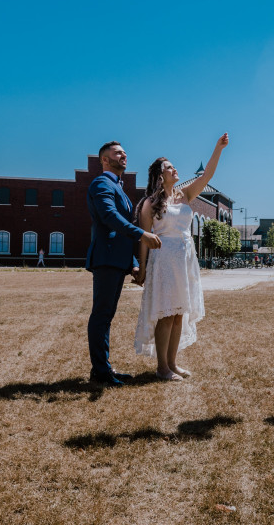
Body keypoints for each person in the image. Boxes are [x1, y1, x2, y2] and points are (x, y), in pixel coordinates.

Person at [133, 133, 229, 381]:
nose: (175, 170)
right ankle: (161, 368)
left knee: (179, 314)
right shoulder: (150, 203)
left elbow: (206, 176)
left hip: (185, 259)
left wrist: (218, 148)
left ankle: (173, 364)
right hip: (163, 261)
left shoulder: (184, 194)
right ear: (159, 175)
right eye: (169, 168)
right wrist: (141, 270)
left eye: (174, 167)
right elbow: (143, 239)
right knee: (166, 313)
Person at [86, 141, 162, 387]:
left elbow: (119, 232)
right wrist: (142, 235)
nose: (123, 155)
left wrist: (133, 264)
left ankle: (103, 368)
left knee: (106, 316)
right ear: (104, 160)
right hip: (106, 259)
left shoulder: (119, 187)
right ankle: (100, 371)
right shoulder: (101, 183)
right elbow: (109, 217)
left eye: (125, 152)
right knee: (101, 315)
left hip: (117, 261)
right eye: (117, 153)